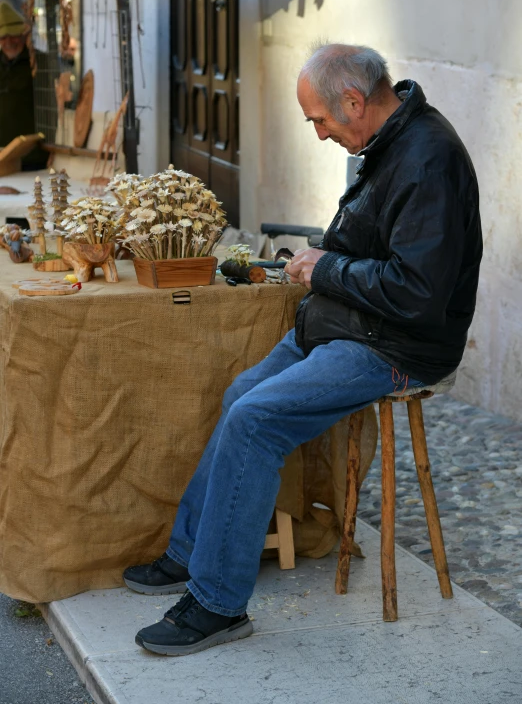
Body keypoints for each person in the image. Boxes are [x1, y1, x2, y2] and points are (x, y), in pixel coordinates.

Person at [123, 44, 483, 657]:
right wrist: (326, 271)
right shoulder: (390, 137)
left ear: (354, 100)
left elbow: (418, 295)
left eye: (320, 120)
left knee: (255, 420)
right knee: (240, 393)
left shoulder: (428, 159)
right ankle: (190, 552)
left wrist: (325, 270)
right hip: (351, 322)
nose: (318, 134)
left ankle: (217, 603)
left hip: (399, 343)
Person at [0, 0, 48, 169]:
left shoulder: (40, 63)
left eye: (13, 36)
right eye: (2, 38)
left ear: (23, 35)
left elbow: (53, 109)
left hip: (34, 154)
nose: (8, 42)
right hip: (2, 154)